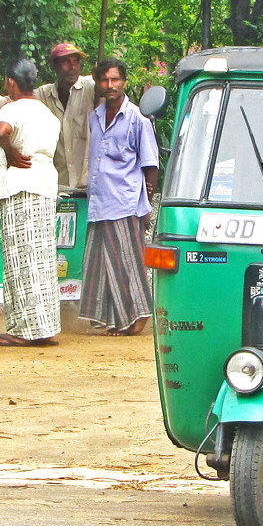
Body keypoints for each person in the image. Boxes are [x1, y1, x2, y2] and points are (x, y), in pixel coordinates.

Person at [0, 58, 62, 347]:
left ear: (11, 82)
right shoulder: (47, 113)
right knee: (41, 258)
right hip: (43, 186)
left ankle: (23, 329)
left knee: (20, 258)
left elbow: (1, 131)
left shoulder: (11, 108)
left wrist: (11, 151)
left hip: (19, 187)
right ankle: (46, 326)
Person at [80, 57, 159, 335]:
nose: (110, 85)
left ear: (125, 82)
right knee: (102, 265)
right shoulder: (96, 117)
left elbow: (150, 165)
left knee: (128, 263)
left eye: (115, 79)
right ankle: (117, 319)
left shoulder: (137, 118)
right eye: (105, 80)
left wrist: (146, 204)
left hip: (125, 202)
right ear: (98, 83)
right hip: (100, 202)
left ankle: (139, 316)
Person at [0, 42, 95, 188]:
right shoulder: (43, 96)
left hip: (88, 189)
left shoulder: (90, 88)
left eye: (76, 61)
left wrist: (9, 151)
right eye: (66, 61)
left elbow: (0, 131)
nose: (73, 67)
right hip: (57, 187)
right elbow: (0, 104)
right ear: (54, 65)